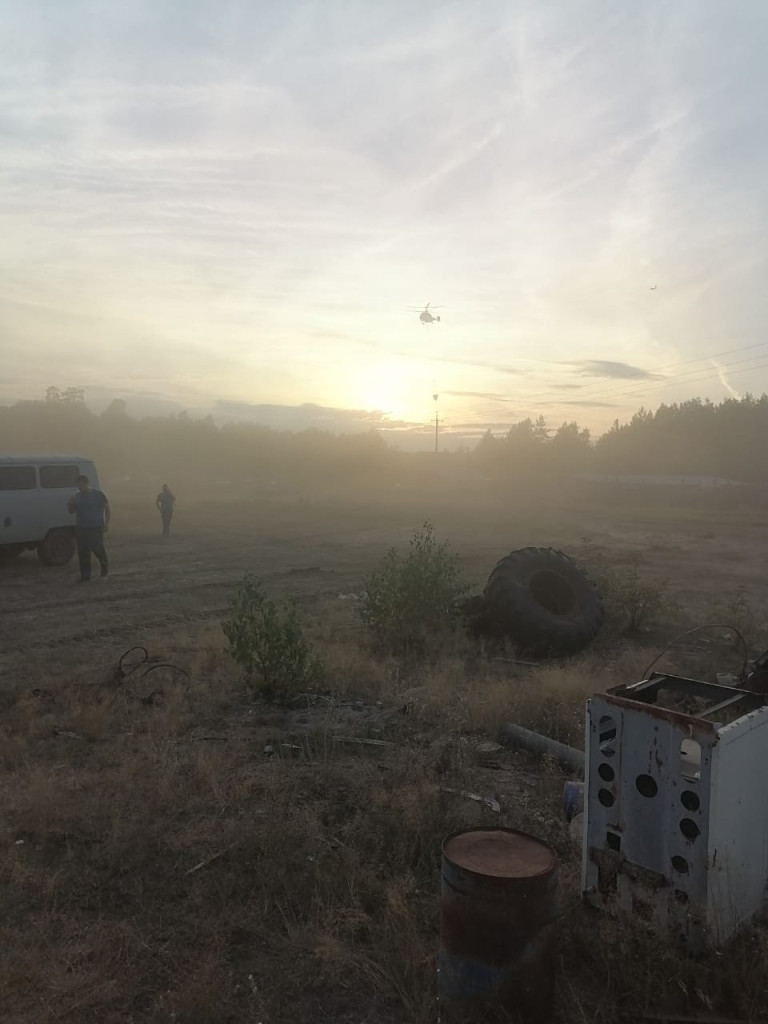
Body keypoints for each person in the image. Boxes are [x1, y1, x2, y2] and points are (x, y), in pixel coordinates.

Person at [67, 475, 110, 582]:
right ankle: (85, 577)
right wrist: (70, 504)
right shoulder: (77, 496)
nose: (79, 488)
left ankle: (103, 563)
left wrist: (107, 523)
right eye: (77, 486)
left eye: (80, 485)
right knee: (83, 552)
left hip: (96, 526)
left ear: (86, 483)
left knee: (97, 548)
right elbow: (71, 511)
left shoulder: (98, 494)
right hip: (81, 527)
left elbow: (107, 509)